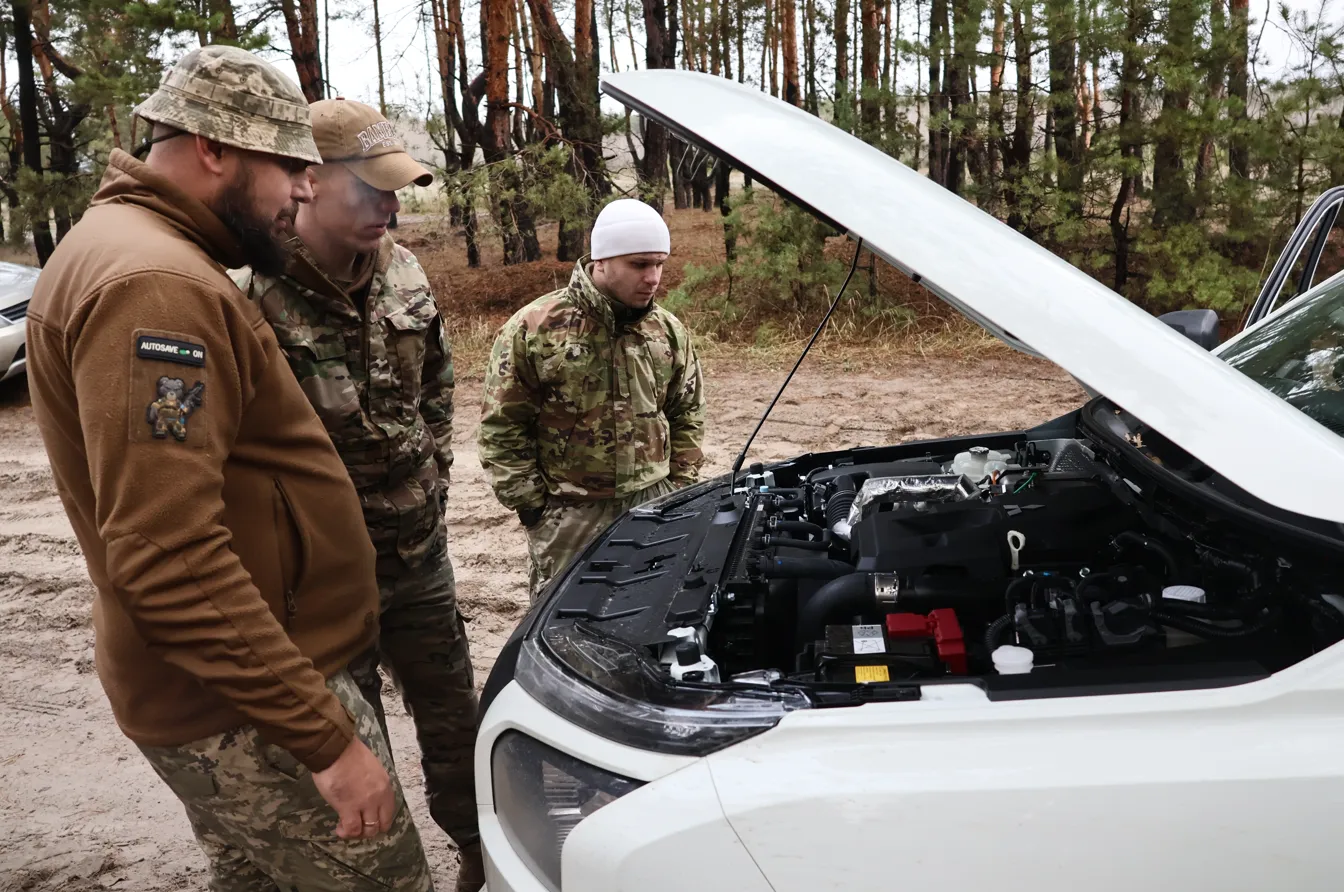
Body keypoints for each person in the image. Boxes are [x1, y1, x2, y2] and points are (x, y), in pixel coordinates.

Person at [24, 46, 434, 890]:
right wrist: (323, 739)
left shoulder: (137, 252)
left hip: (234, 687)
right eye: (289, 165)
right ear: (214, 149)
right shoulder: (155, 285)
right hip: (249, 705)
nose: (305, 189)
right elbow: (166, 554)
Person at [229, 97, 482, 891]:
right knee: (351, 736)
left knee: (453, 719)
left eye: (399, 189)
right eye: (372, 189)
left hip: (416, 552)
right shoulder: (246, 292)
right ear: (307, 181)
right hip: (319, 580)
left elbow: (437, 385)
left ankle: (482, 852)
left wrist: (431, 476)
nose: (392, 207)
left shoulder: (401, 265)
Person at [479, 198, 708, 602]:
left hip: (654, 506)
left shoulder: (667, 331)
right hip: (569, 515)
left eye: (659, 264)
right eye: (639, 264)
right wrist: (535, 510)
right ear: (601, 261)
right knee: (564, 624)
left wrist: (678, 490)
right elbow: (502, 426)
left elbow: (686, 411)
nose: (653, 277)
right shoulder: (536, 328)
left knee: (650, 613)